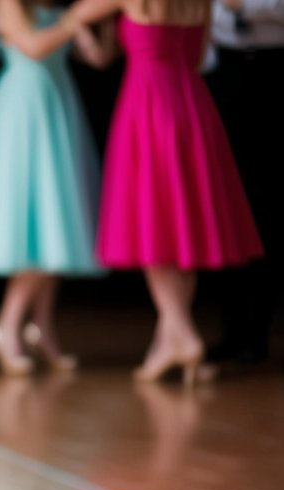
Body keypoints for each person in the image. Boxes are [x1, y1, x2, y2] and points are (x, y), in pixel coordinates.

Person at [70, 0, 264, 385]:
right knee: (181, 226)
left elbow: (75, 15)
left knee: (153, 223)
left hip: (147, 106)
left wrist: (89, 43)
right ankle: (166, 344)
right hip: (192, 105)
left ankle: (183, 335)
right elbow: (197, 57)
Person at [0, 0, 108, 374]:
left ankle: (41, 329)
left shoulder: (59, 8)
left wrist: (96, 33)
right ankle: (7, 326)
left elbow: (98, 58)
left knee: (58, 226)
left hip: (58, 105)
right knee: (36, 222)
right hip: (22, 112)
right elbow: (32, 46)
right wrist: (77, 19)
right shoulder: (9, 3)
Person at [204, 0, 283, 366]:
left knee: (269, 201)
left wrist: (247, 6)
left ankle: (263, 328)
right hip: (224, 69)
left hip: (272, 66)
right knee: (225, 201)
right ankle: (236, 331)